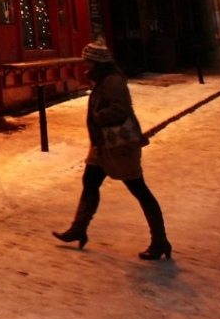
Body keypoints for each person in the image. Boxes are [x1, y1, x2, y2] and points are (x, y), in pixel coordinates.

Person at [52, 39, 171, 261]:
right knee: (90, 183)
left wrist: (98, 117)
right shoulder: (103, 80)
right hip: (103, 146)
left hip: (119, 146)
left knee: (139, 189)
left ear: (97, 62)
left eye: (88, 61)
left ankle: (160, 241)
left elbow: (119, 109)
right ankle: (79, 228)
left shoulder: (112, 81)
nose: (85, 64)